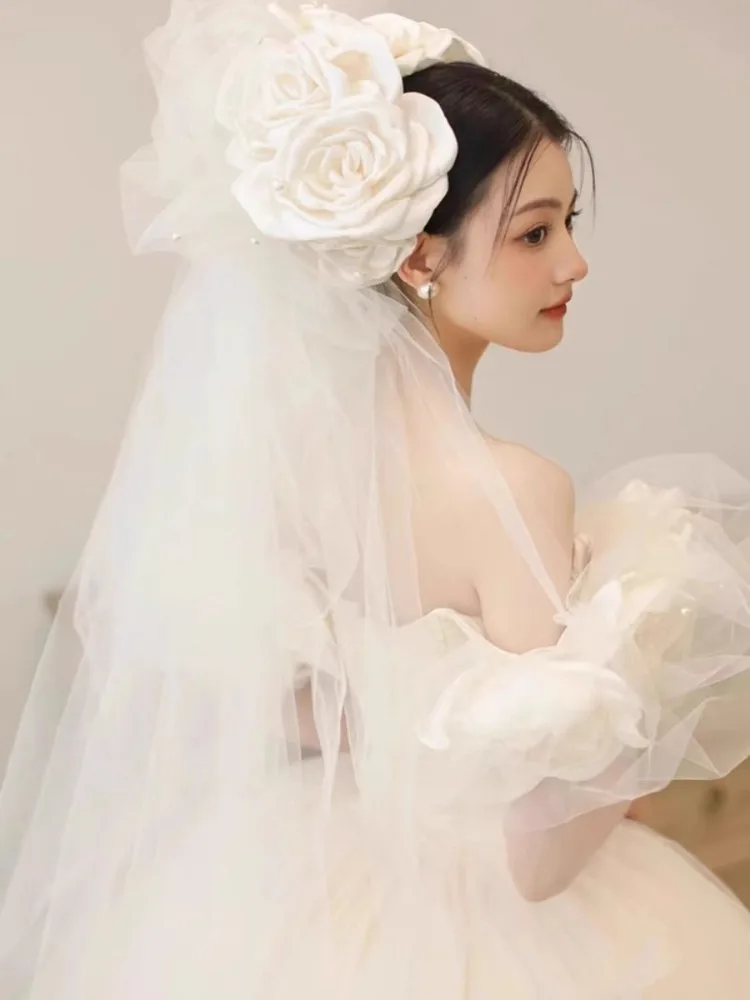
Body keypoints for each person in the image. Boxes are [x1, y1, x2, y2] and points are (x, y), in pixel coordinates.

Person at [2, 2, 750, 996]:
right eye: (534, 233)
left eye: (568, 225)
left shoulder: (280, 465)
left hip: (293, 897)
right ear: (419, 254)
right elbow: (538, 862)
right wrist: (632, 727)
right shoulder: (517, 490)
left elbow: (297, 706)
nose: (573, 263)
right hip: (494, 933)